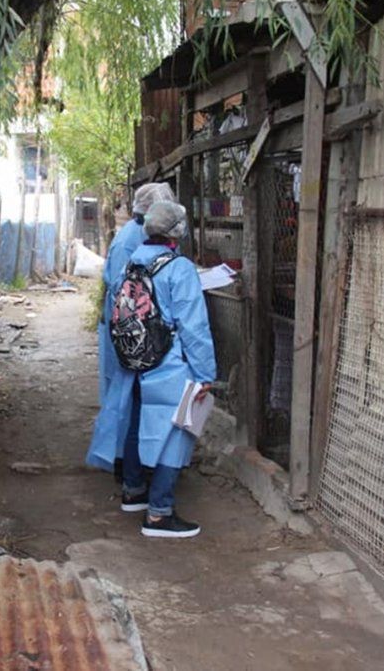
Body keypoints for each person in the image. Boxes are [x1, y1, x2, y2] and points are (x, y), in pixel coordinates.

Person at [87, 199, 217, 538]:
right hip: (169, 362)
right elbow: (194, 326)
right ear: (177, 232)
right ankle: (159, 514)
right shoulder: (180, 268)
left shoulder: (132, 261)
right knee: (176, 430)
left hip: (135, 360)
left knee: (136, 421)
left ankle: (133, 491)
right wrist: (205, 374)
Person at [94, 183, 176, 473]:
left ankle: (128, 460)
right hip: (125, 327)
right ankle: (123, 461)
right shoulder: (131, 240)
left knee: (126, 392)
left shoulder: (136, 236)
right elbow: (123, 289)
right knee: (123, 393)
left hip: (127, 325)